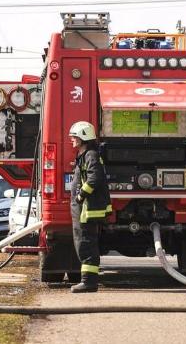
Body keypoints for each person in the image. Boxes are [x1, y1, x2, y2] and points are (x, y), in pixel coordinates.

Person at [68, 121, 112, 293]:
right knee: (83, 242)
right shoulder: (85, 155)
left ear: (83, 137)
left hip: (88, 209)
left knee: (86, 243)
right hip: (83, 209)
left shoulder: (91, 155)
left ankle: (89, 282)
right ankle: (87, 281)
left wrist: (81, 195)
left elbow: (95, 178)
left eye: (74, 137)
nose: (72, 139)